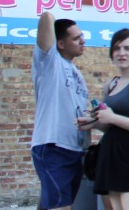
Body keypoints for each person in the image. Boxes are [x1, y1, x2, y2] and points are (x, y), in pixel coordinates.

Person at [79, 28, 129, 210]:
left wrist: (113, 117)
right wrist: (94, 123)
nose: (121, 53)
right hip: (111, 155)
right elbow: (110, 125)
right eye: (116, 48)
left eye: (127, 48)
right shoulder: (111, 84)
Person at [32, 11, 89, 210]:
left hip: (74, 148)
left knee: (61, 204)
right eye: (76, 38)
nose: (82, 41)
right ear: (60, 44)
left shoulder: (77, 73)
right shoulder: (49, 62)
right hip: (53, 145)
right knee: (60, 206)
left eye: (82, 36)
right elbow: (47, 18)